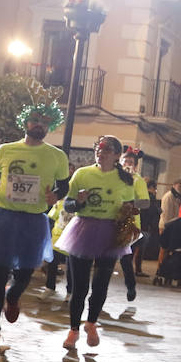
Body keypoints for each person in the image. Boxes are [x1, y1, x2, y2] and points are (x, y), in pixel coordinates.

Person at [0, 102, 71, 356]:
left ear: (49, 125)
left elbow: (63, 187)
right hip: (3, 217)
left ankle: (13, 295)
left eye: (44, 121)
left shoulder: (57, 156)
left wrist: (55, 196)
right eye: (34, 119)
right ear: (25, 122)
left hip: (34, 220)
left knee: (23, 274)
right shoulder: (5, 149)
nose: (38, 124)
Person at [55, 134, 138, 349]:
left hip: (110, 233)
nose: (101, 153)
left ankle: (91, 323)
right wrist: (79, 202)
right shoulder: (83, 174)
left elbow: (129, 208)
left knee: (101, 285)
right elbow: (68, 205)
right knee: (79, 287)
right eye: (98, 149)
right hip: (82, 230)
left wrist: (128, 215)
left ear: (117, 155)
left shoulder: (126, 180)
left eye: (107, 150)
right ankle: (73, 329)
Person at [114, 149, 150, 304]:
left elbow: (145, 202)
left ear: (135, 166)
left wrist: (129, 204)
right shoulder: (114, 177)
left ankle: (131, 286)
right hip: (110, 220)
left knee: (125, 258)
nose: (126, 165)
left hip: (129, 224)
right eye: (124, 161)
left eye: (130, 163)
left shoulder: (138, 180)